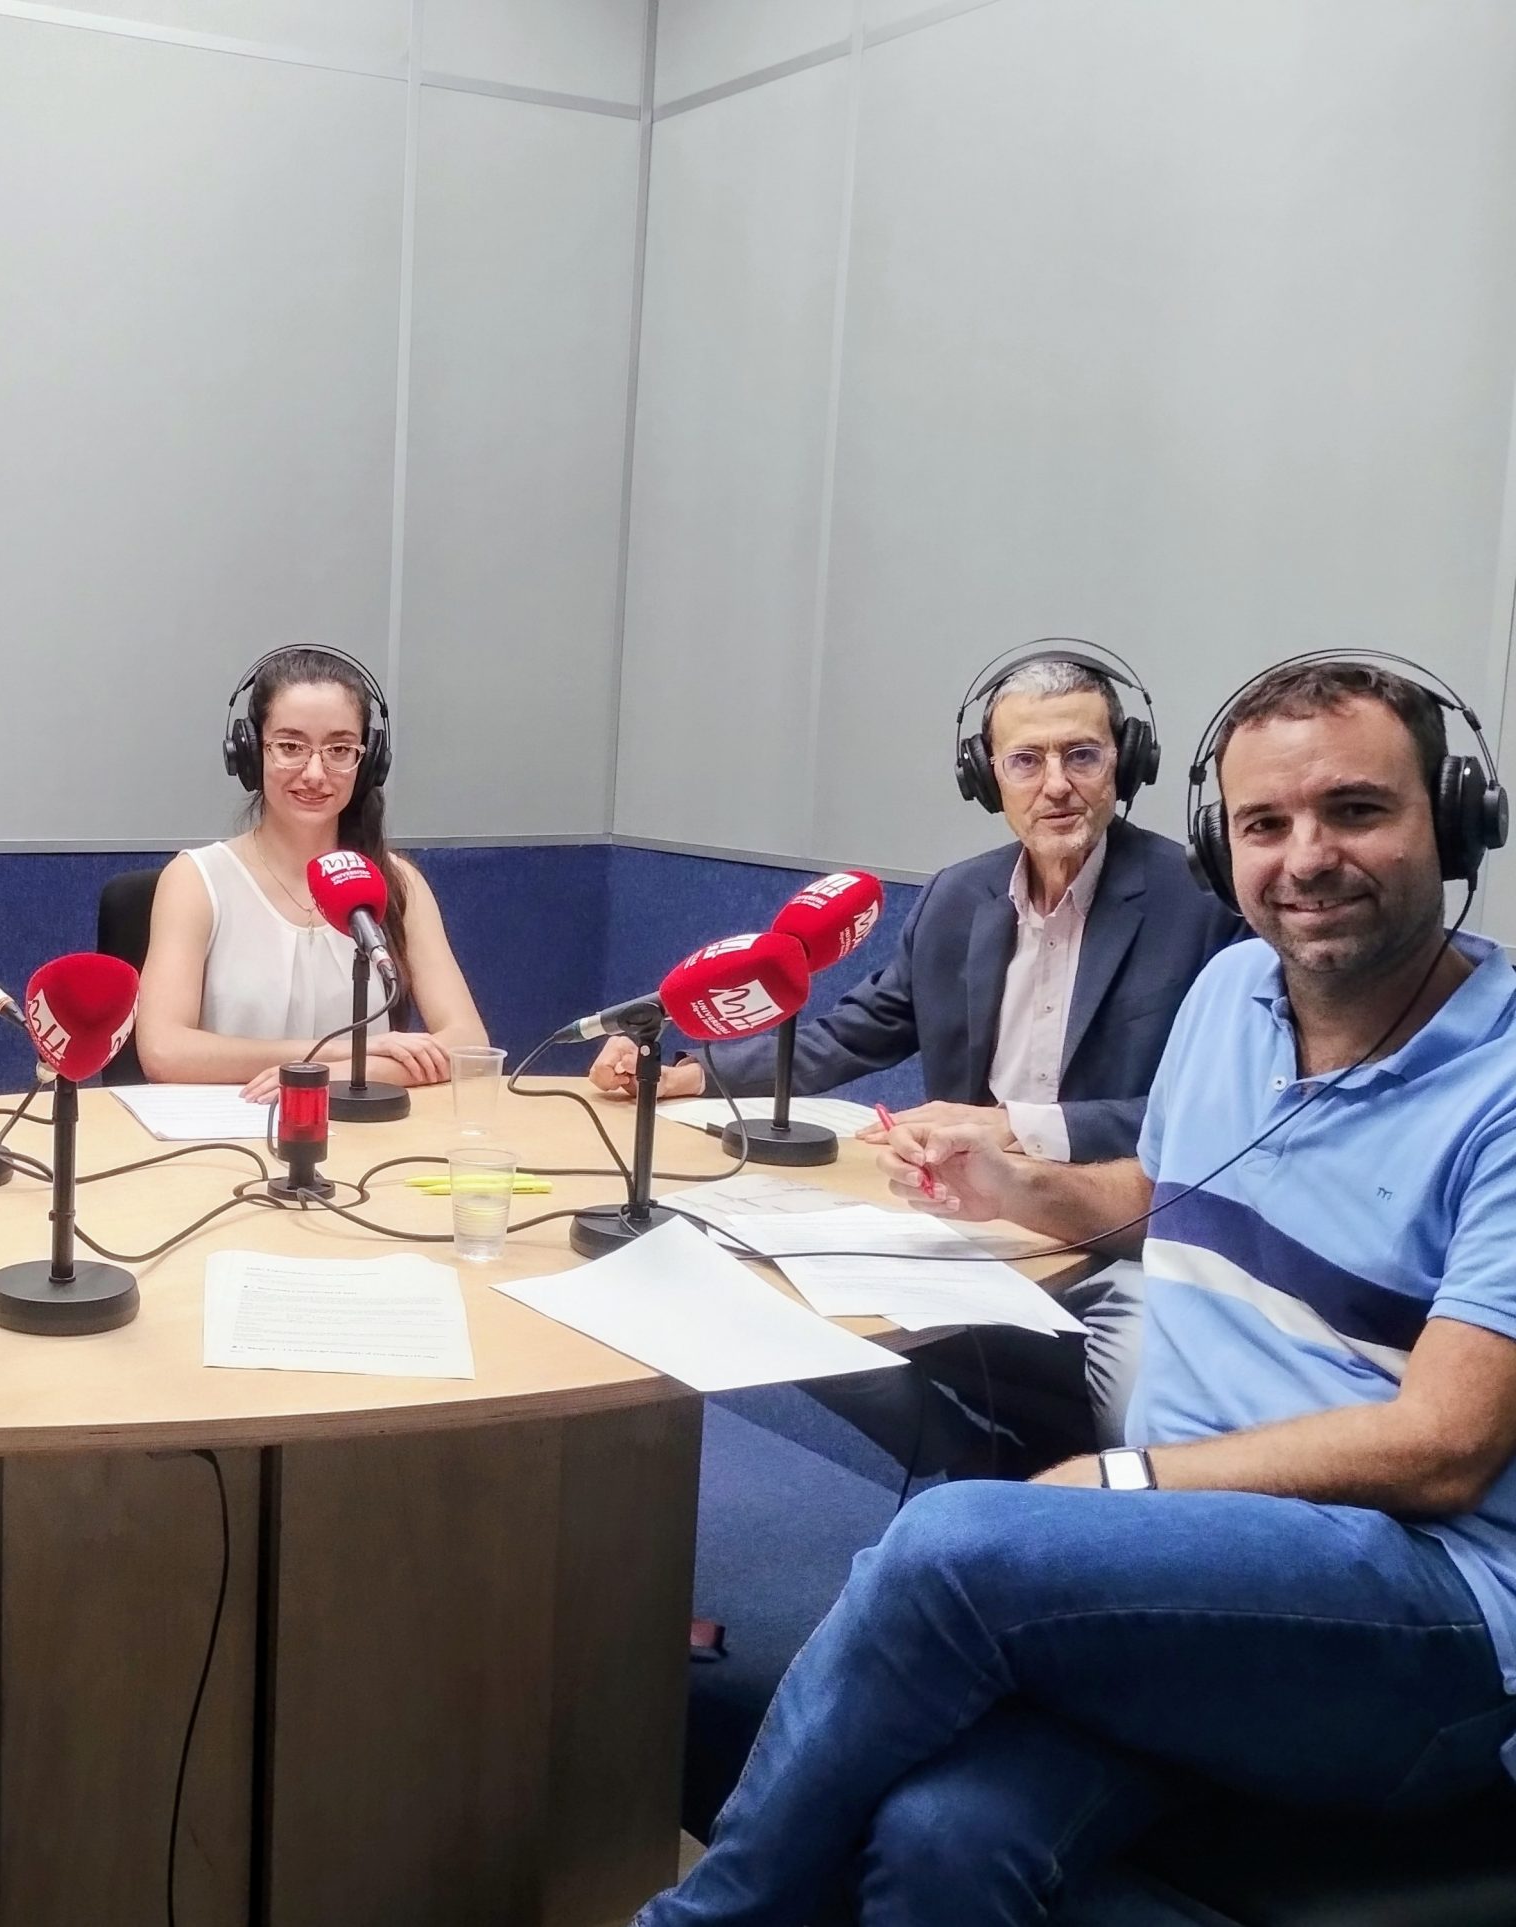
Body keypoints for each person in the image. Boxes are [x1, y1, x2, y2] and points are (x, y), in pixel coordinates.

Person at [642, 657, 1516, 1926]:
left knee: (953, 1545)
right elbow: (1169, 1187)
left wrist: (1122, 1480)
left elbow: (1442, 1446)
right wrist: (1020, 1185)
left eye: (1356, 810)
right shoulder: (1231, 995)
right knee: (941, 1842)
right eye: (1265, 823)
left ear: (1456, 817)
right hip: (1200, 1567)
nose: (1306, 857)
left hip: (1421, 1619)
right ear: (1223, 843)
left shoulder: (1499, 1081)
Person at [603, 645, 1242, 1475]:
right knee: (771, 1307)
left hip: (1116, 1241)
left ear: (1127, 762)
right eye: (1027, 760)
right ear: (986, 775)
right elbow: (851, 1031)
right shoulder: (958, 897)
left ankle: (1108, 1532)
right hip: (966, 1225)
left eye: (1082, 755)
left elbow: (1211, 1121)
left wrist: (1014, 1127)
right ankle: (976, 1470)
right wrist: (692, 1073)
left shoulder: (1200, 903)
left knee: (1147, 1427)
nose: (1057, 784)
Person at [137, 645, 487, 1099]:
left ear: (368, 762)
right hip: (230, 1131)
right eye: (290, 747)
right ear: (250, 752)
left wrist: (341, 1074)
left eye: (340, 749)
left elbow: (469, 1044)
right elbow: (164, 1050)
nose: (316, 773)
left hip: (361, 1130)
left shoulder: (397, 883)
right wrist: (339, 1054)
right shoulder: (195, 881)